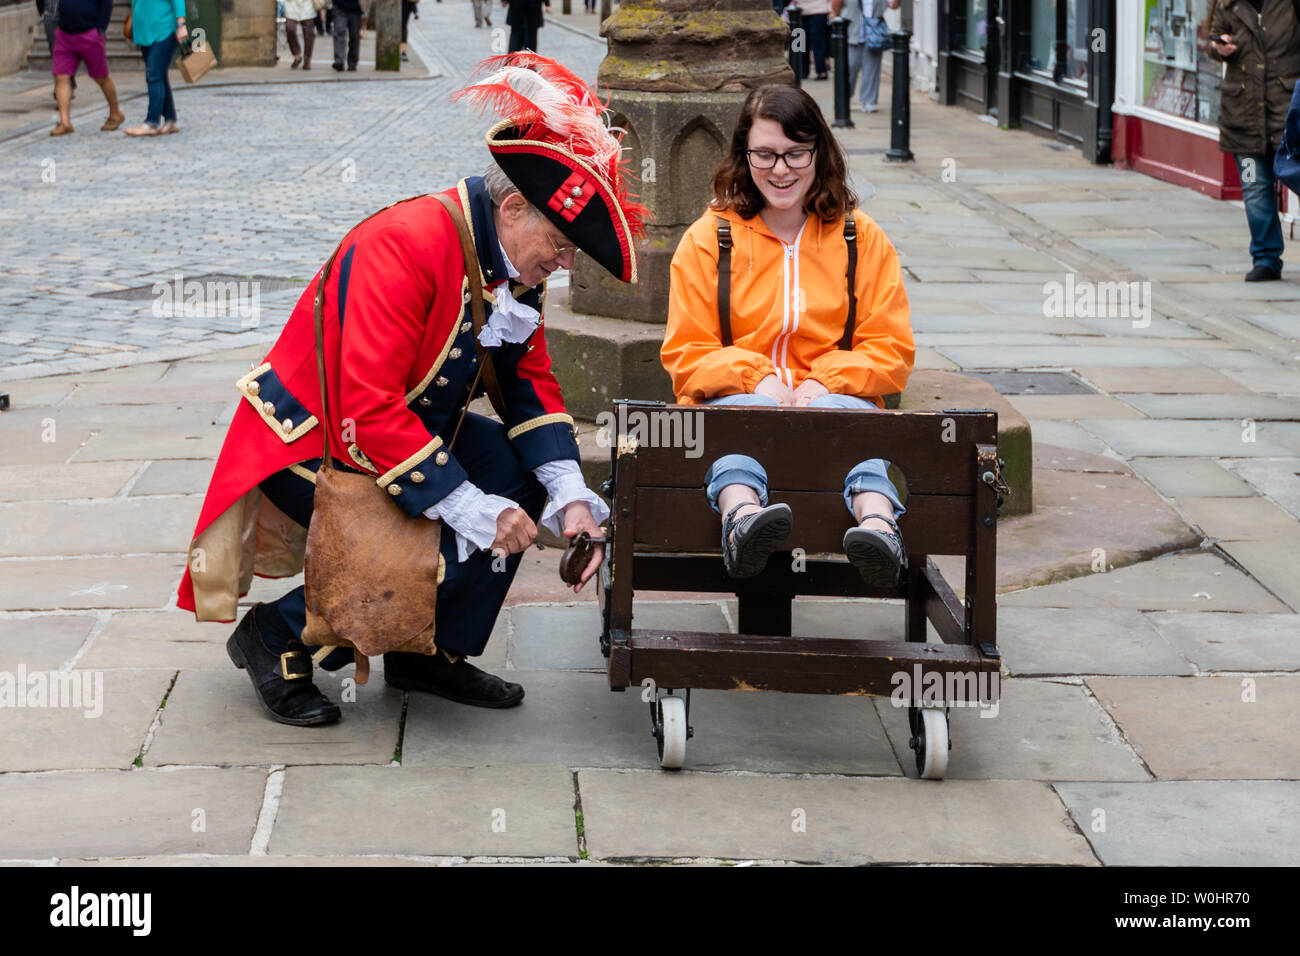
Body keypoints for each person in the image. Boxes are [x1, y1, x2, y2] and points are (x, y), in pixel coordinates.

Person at [178, 53, 646, 726]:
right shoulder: (404, 245)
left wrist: (571, 496)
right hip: (315, 444)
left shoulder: (515, 261)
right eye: (561, 245)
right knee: (415, 527)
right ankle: (276, 634)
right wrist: (470, 509)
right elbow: (367, 411)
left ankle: (429, 651)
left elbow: (529, 382)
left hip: (403, 435)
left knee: (521, 474)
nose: (563, 264)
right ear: (513, 206)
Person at [661, 84, 914, 586]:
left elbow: (891, 349)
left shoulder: (860, 238)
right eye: (765, 154)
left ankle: (879, 528)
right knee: (737, 437)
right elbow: (686, 353)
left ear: (819, 152)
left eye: (796, 153)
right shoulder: (708, 239)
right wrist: (756, 380)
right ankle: (742, 521)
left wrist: (826, 382)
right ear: (743, 155)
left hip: (835, 408)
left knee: (852, 436)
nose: (781, 169)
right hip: (738, 407)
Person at [1207, 0, 1300, 281]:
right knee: (1254, 187)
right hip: (1243, 116)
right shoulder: (1227, 3)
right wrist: (1218, 47)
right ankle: (1265, 257)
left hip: (1288, 115)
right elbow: (1211, 41)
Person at [48, 0, 124, 136]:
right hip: (64, 33)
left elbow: (107, 3)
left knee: (101, 77)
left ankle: (115, 113)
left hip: (89, 33)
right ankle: (65, 122)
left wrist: (100, 28)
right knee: (61, 76)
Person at [123, 0, 185, 136]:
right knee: (159, 75)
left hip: (164, 30)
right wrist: (133, 28)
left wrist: (181, 24)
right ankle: (171, 121)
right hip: (145, 32)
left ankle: (152, 122)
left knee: (154, 75)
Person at [834, 0, 899, 112]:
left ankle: (869, 101)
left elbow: (893, 5)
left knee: (872, 69)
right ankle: (844, 97)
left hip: (874, 36)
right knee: (849, 68)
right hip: (851, 34)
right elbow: (836, 5)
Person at [787, 0, 832, 80]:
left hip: (819, 10)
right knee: (801, 41)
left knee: (817, 40)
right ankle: (802, 71)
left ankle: (821, 70)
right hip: (800, 10)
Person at [283, 0, 317, 69]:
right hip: (291, 4)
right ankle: (297, 55)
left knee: (309, 33)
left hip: (308, 4)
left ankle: (307, 59)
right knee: (290, 28)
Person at [332, 0, 363, 70]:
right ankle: (339, 61)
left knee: (354, 36)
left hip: (356, 9)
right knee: (339, 31)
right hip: (339, 7)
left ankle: (352, 63)